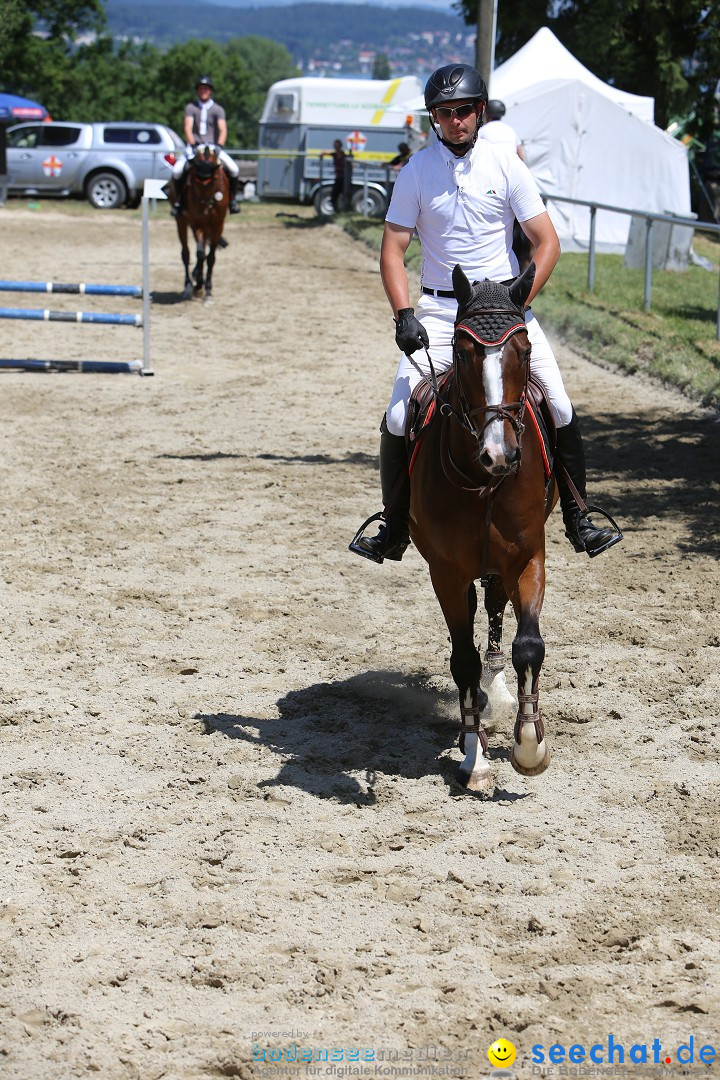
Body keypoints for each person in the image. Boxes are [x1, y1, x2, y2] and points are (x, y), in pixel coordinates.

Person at [350, 63, 622, 564]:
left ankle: (579, 516)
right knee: (395, 416)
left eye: (462, 111)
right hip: (439, 309)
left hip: (500, 309)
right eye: (443, 113)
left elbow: (547, 242)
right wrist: (403, 312)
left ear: (479, 112)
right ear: (434, 118)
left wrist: (517, 300)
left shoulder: (506, 164)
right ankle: (394, 524)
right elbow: (392, 250)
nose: (454, 121)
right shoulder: (415, 171)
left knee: (558, 404)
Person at [171, 75, 241, 217]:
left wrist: (219, 145)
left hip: (213, 148)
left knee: (234, 169)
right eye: (201, 89)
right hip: (195, 147)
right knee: (177, 171)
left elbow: (223, 129)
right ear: (198, 90)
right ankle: (179, 202)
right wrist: (193, 144)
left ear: (210, 91)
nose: (204, 91)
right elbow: (187, 128)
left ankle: (232, 200)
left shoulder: (218, 109)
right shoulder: (191, 108)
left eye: (206, 89)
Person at [321, 139, 349, 212]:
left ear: (340, 146)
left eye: (337, 145)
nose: (336, 147)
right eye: (335, 145)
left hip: (344, 179)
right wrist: (323, 153)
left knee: (345, 196)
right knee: (333, 196)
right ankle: (337, 211)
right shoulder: (334, 154)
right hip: (338, 178)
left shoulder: (344, 155)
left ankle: (345, 211)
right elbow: (326, 153)